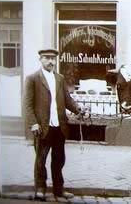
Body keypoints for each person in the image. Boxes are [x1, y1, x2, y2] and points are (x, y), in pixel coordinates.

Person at [23, 48, 85, 201]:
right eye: (47, 58)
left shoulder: (60, 78)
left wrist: (78, 109)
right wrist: (33, 123)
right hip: (43, 128)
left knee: (59, 160)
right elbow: (27, 104)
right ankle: (40, 189)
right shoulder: (33, 79)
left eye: (53, 58)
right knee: (40, 160)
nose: (51, 61)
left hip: (59, 127)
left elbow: (67, 99)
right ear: (40, 59)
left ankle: (59, 190)